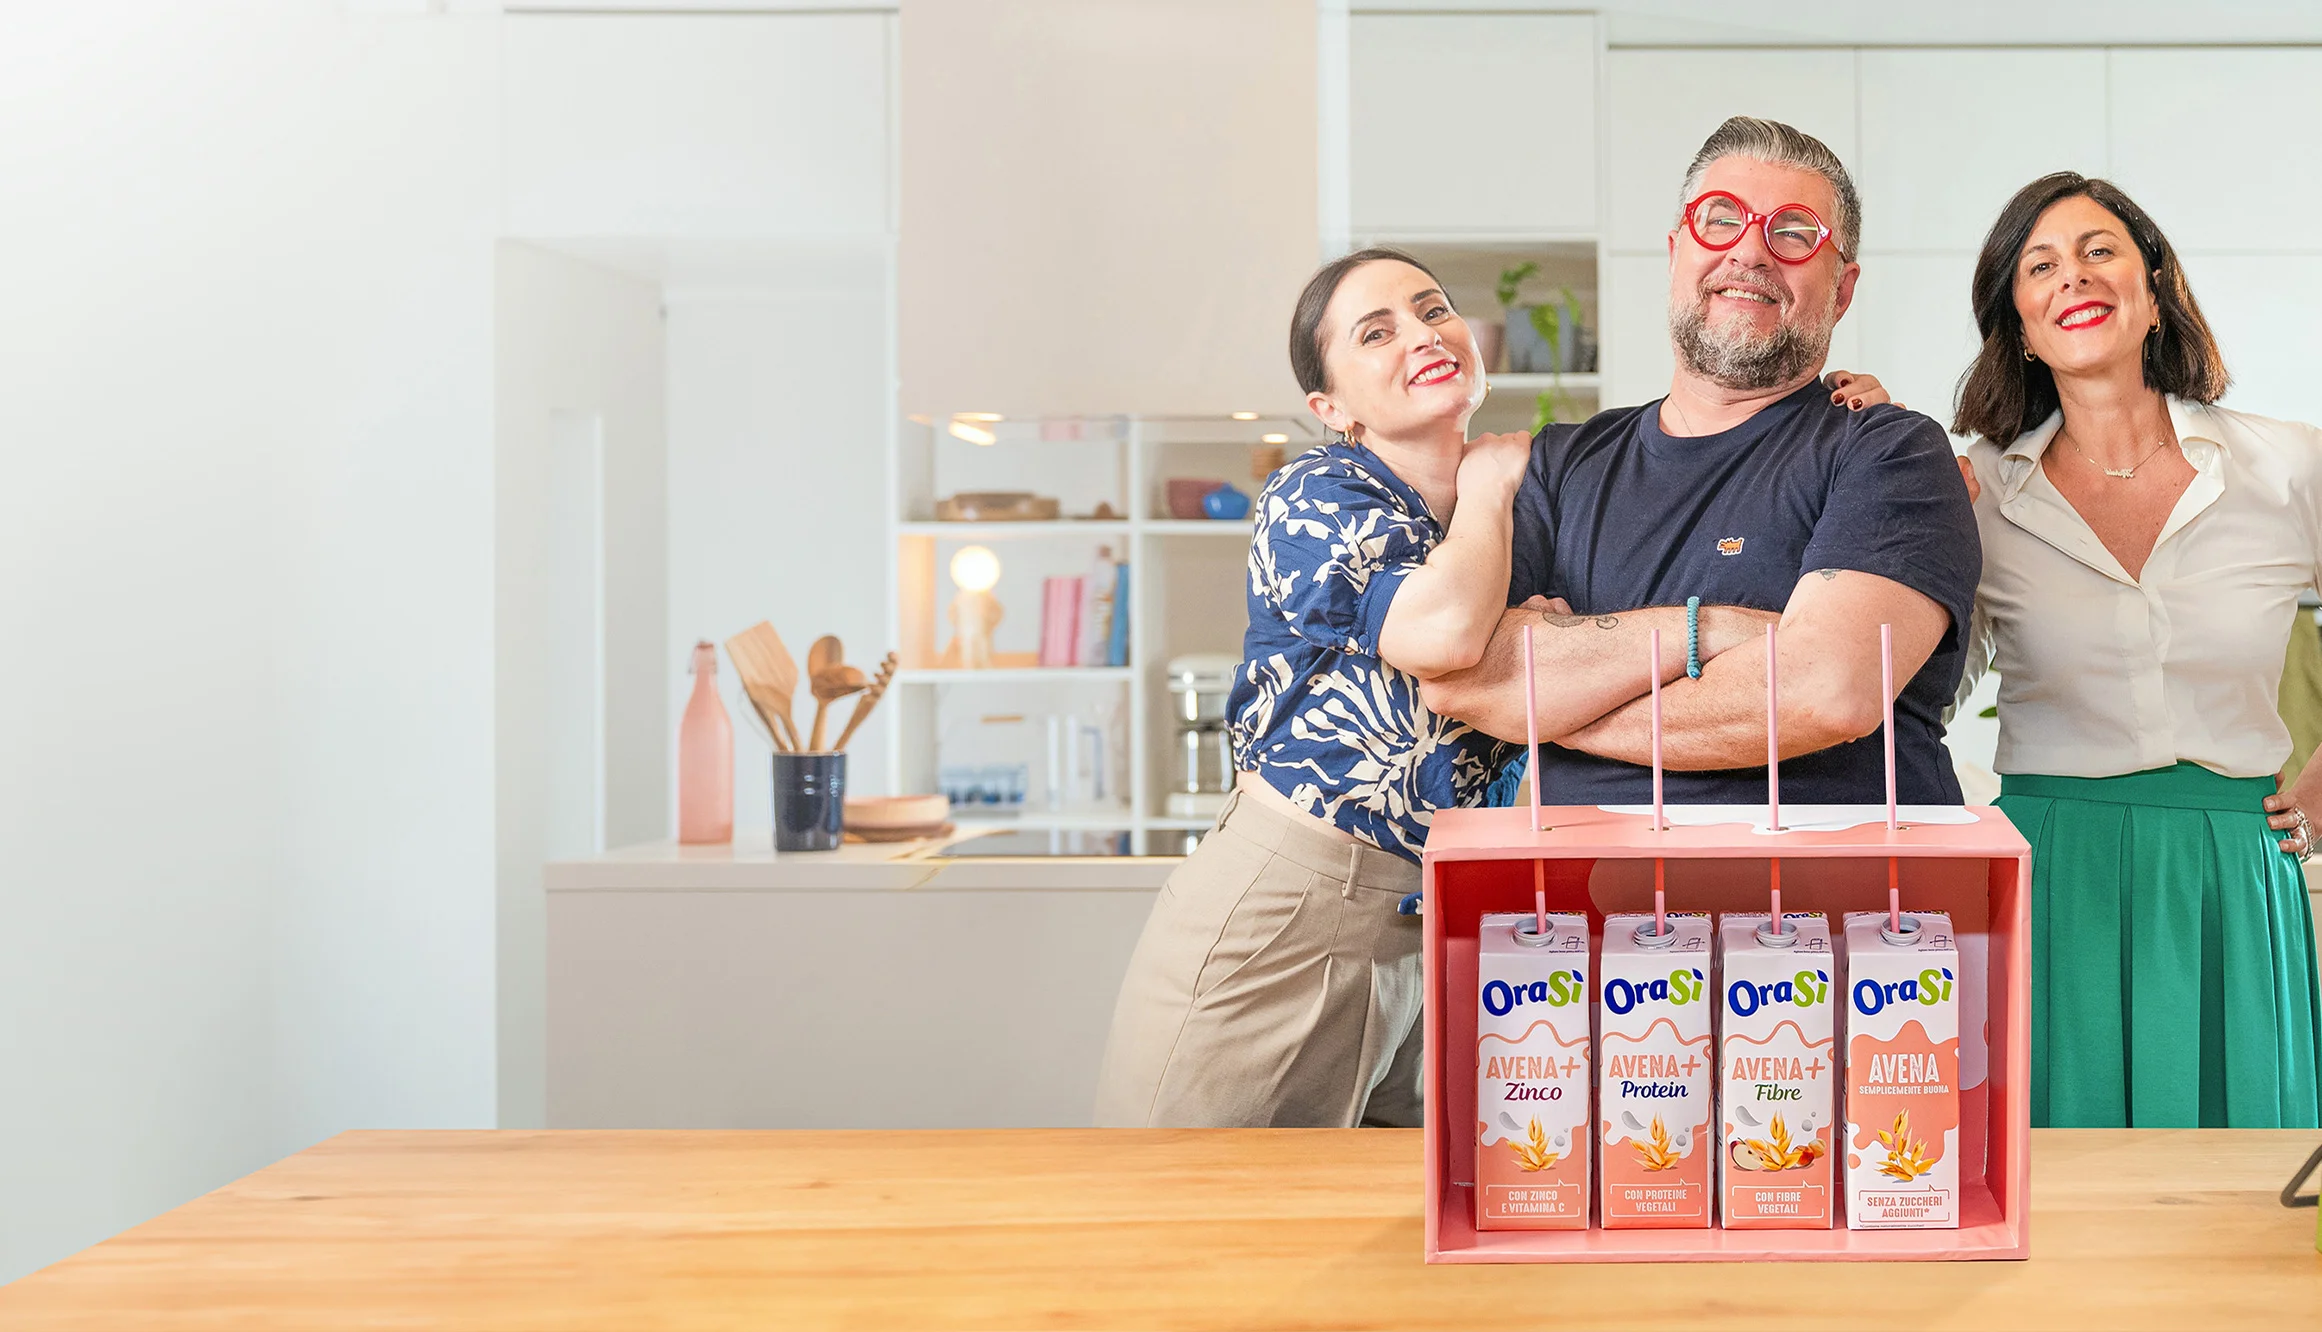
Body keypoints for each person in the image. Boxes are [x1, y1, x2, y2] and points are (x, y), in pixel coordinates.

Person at [1091, 248, 1534, 1128]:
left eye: (1433, 308)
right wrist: (1487, 494)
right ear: (1330, 408)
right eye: (1378, 331)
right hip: (1288, 909)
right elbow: (1445, 634)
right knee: (1174, 1220)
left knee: (1368, 1244)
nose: (1424, 334)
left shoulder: (1518, 500)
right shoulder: (1314, 491)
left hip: (1425, 924)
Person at [1423, 116, 1981, 806]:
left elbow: (1827, 691)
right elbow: (1459, 677)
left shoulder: (1888, 451)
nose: (1750, 251)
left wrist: (1552, 702)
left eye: (1795, 232)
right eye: (1721, 219)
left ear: (1841, 291)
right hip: (1582, 903)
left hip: (1845, 904)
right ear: (1675, 254)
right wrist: (1707, 630)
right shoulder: (1559, 465)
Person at [1951, 171, 2322, 1129]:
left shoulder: (2287, 465)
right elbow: (1923, 694)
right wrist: (1896, 501)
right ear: (2021, 326)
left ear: (2154, 293)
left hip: (2235, 868)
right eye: (2040, 266)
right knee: (2060, 1199)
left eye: (2098, 250)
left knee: (2240, 1208)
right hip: (2052, 870)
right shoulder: (1980, 489)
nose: (2072, 276)